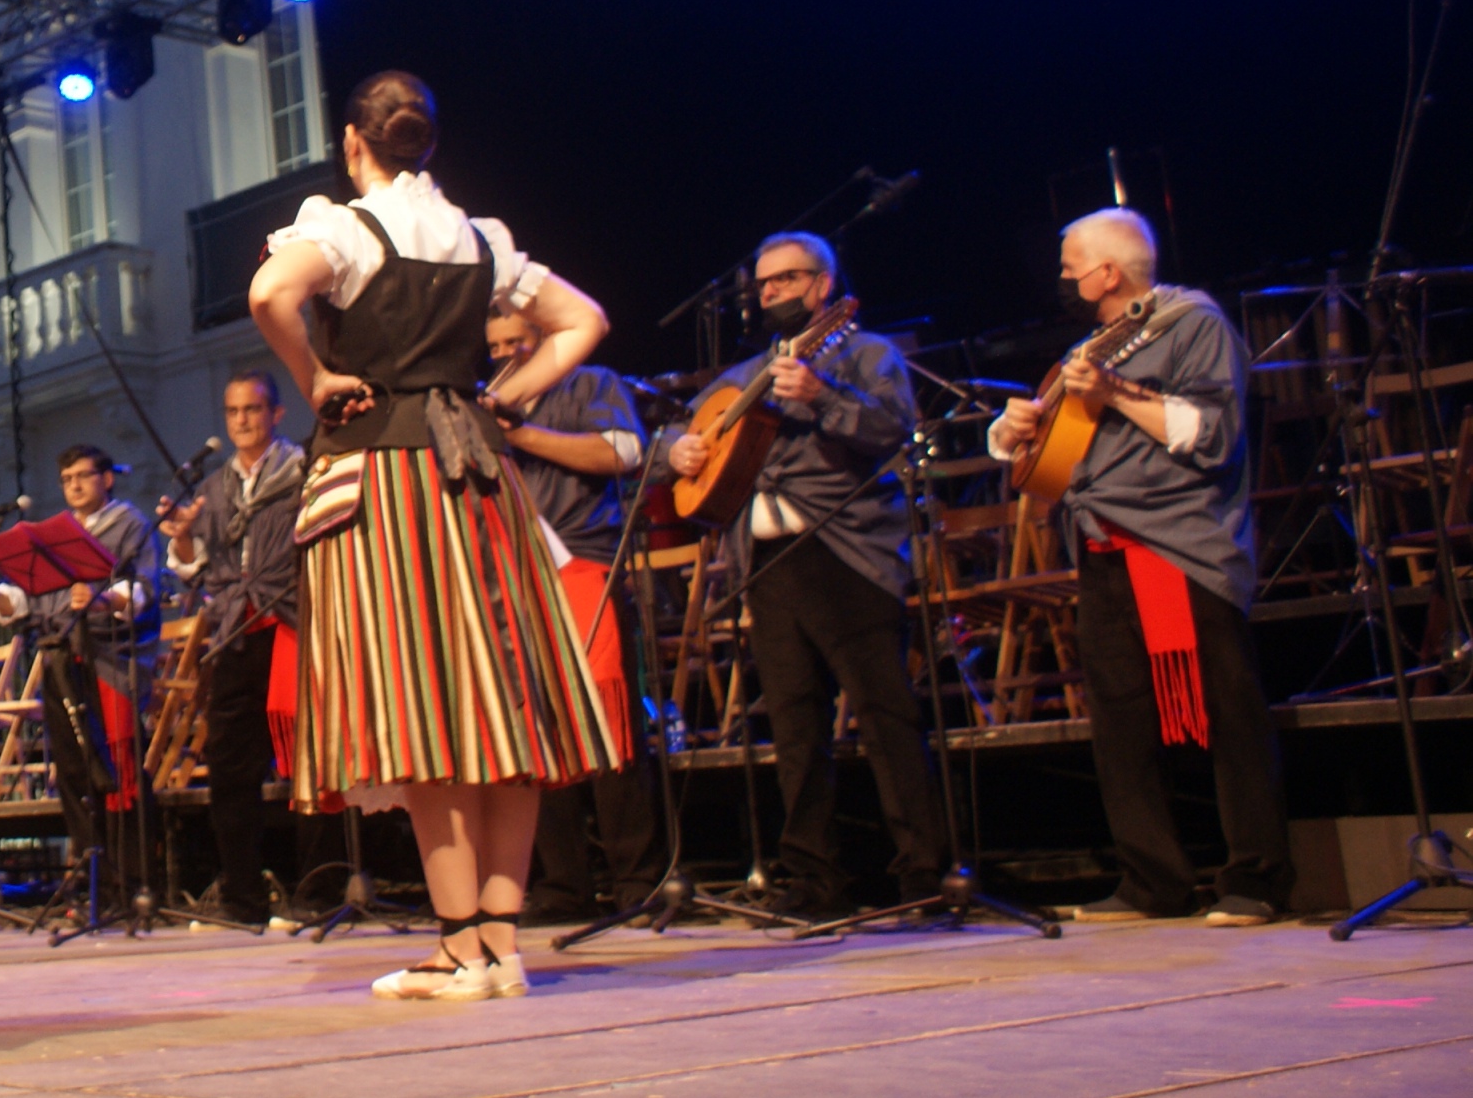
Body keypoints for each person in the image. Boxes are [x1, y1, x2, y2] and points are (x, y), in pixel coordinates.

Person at [247, 70, 622, 1001]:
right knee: (502, 702)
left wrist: (314, 377)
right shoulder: (478, 238)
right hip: (479, 480)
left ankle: (458, 944)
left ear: (352, 144)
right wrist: (510, 392)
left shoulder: (338, 227)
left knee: (423, 704)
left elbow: (267, 296)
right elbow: (585, 320)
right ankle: (500, 941)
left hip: (381, 481)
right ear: (430, 146)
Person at [987, 209, 1287, 926]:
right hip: (1101, 541)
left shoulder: (1193, 324)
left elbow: (1209, 432)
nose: (1061, 277)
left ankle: (1258, 878)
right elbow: (1054, 458)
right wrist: (1014, 431)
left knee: (1228, 712)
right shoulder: (1094, 344)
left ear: (1108, 273)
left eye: (1069, 265)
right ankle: (1153, 880)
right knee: (1120, 721)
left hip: (1179, 545)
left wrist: (1117, 393)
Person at [656, 231, 949, 921]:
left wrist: (822, 394)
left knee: (884, 716)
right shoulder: (748, 370)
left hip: (846, 551)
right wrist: (682, 450)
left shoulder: (866, 352)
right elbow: (683, 435)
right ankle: (815, 880)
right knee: (793, 724)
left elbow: (891, 431)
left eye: (787, 279)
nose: (772, 293)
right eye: (763, 285)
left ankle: (921, 876)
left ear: (824, 285)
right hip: (770, 561)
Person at [485, 310, 665, 924]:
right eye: (496, 347)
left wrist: (522, 436)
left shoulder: (589, 384)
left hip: (586, 564)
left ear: (544, 339)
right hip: (516, 575)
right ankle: (562, 888)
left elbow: (624, 452)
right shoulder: (483, 405)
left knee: (610, 726)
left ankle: (636, 884)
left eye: (518, 342)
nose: (507, 355)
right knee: (539, 735)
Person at [0, 444, 161, 911]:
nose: (74, 485)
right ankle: (94, 884)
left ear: (107, 478)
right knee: (72, 774)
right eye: (67, 478)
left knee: (117, 771)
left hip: (109, 661)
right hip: (61, 660)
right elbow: (25, 601)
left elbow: (144, 591)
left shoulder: (129, 525)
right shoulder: (56, 537)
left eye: (83, 476)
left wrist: (105, 601)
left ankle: (132, 885)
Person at [158, 372, 309, 929]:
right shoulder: (215, 487)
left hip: (290, 620)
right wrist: (181, 533)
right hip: (232, 630)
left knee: (305, 753)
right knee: (229, 764)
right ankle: (243, 896)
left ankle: (316, 884)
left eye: (252, 410)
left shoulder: (300, 472)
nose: (242, 420)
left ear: (276, 413)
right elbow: (191, 568)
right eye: (233, 412)